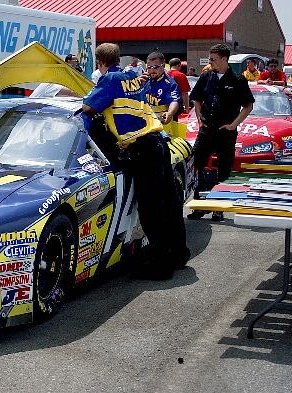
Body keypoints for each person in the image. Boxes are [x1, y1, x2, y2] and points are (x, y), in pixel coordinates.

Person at [82, 43, 189, 280]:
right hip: (159, 142)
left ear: (99, 62)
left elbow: (87, 107)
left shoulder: (109, 80)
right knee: (169, 203)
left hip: (142, 149)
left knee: (151, 209)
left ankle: (161, 267)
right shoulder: (135, 76)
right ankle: (178, 254)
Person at [187, 44, 254, 221]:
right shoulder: (206, 76)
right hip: (207, 129)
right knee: (198, 164)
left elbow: (248, 106)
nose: (209, 62)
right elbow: (197, 99)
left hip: (226, 131)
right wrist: (200, 119)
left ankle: (219, 207)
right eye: (209, 59)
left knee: (224, 169)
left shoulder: (238, 80)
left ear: (224, 59)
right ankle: (200, 206)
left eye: (213, 59)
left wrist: (233, 125)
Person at [144, 52, 182, 124]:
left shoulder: (170, 84)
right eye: (149, 67)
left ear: (163, 66)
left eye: (156, 67)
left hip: (163, 125)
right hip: (147, 124)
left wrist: (170, 113)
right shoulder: (144, 80)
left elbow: (174, 101)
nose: (152, 70)